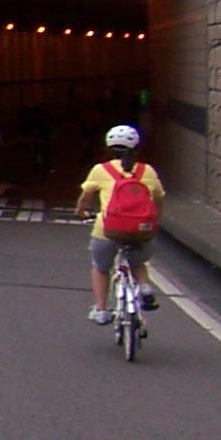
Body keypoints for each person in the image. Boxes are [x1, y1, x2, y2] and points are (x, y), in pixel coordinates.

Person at [77, 124, 165, 324]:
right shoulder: (147, 171)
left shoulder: (101, 170)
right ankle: (145, 287)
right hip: (142, 230)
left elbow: (85, 197)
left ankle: (101, 310)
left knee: (101, 267)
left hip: (108, 230)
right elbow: (159, 198)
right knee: (138, 261)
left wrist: (81, 212)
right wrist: (155, 220)